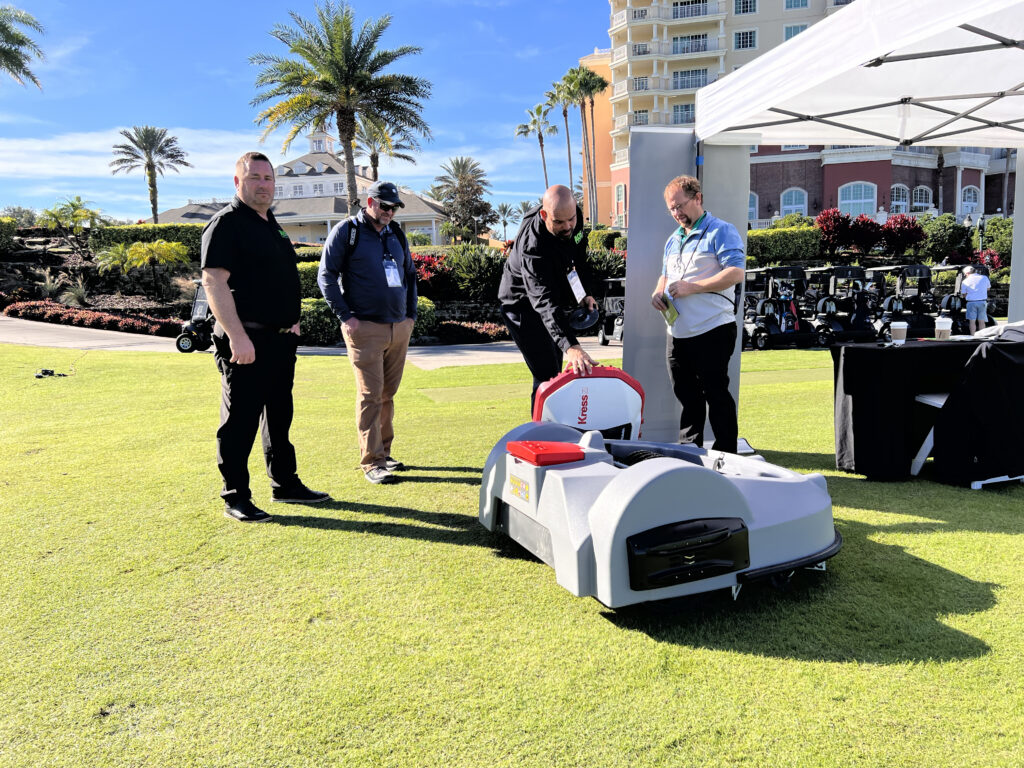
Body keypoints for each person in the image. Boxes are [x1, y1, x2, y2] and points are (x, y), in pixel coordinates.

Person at [201, 151, 329, 522]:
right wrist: (237, 337)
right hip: (246, 342)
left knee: (279, 416)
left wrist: (291, 322)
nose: (263, 185)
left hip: (279, 341)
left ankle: (285, 483)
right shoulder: (225, 224)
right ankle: (235, 496)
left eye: (269, 178)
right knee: (240, 421)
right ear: (237, 182)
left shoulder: (270, 223)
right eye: (255, 177)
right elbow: (214, 283)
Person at [318, 180, 417, 485]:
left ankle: (384, 454)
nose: (389, 212)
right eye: (384, 206)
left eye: (394, 207)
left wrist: (410, 316)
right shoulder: (347, 232)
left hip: (398, 326)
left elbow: (410, 276)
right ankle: (371, 462)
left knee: (388, 394)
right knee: (370, 395)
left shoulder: (396, 233)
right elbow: (326, 276)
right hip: (365, 328)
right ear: (369, 202)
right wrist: (346, 316)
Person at [650, 175, 745, 454]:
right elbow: (665, 276)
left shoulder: (721, 231)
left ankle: (726, 454)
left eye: (680, 205)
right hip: (677, 332)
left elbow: (736, 273)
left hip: (713, 329)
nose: (677, 213)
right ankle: (690, 453)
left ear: (698, 198)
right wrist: (658, 292)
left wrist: (693, 288)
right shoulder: (672, 240)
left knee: (716, 395)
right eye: (672, 209)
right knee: (687, 398)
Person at [498, 184, 598, 409]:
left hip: (552, 298)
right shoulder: (532, 246)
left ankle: (556, 433)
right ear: (544, 215)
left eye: (571, 219)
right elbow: (543, 300)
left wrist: (584, 294)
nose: (568, 226)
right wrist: (571, 345)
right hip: (522, 305)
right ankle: (540, 439)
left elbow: (578, 259)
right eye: (559, 222)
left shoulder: (575, 219)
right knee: (547, 377)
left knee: (556, 376)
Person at [960, 264, 991, 335]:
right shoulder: (984, 278)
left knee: (972, 321)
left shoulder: (965, 281)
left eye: (965, 274)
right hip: (982, 302)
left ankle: (973, 336)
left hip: (971, 302)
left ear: (967, 273)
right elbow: (988, 288)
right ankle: (982, 336)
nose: (965, 276)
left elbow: (964, 294)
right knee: (981, 321)